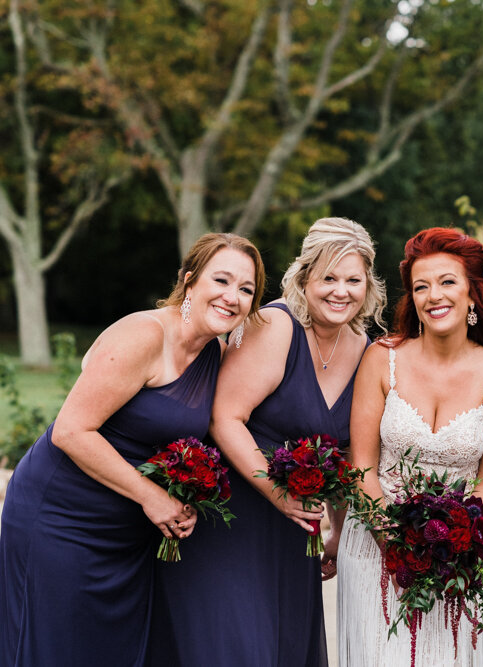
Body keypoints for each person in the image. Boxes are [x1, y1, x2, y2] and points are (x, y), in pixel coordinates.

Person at [0, 233, 264, 666]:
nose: (232, 297)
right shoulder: (144, 335)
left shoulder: (217, 352)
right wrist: (153, 496)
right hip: (61, 517)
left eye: (246, 289)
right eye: (221, 280)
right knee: (54, 649)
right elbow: (71, 431)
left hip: (127, 533)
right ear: (189, 281)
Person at [148, 218, 386, 666]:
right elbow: (225, 418)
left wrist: (336, 529)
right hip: (237, 521)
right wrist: (278, 493)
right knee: (237, 648)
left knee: (284, 648)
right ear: (304, 278)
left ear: (368, 285)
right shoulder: (277, 326)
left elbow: (346, 454)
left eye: (353, 280)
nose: (341, 291)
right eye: (328, 278)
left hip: (296, 534)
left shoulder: (364, 346)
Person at [337, 227, 483, 666]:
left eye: (447, 282)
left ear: (473, 295)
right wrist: (395, 541)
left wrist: (456, 545)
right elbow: (360, 464)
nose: (433, 295)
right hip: (373, 546)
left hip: (456, 557)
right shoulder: (383, 358)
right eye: (421, 286)